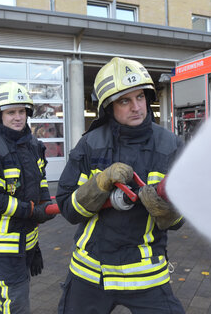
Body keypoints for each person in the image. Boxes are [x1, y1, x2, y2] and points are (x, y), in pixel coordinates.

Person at [56, 57, 185, 313]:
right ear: (108, 107)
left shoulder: (170, 146)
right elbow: (68, 209)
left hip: (146, 274)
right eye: (125, 100)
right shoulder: (90, 145)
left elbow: (181, 219)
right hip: (92, 272)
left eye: (140, 97)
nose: (136, 107)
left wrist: (167, 213)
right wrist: (98, 185)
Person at [0, 81, 55, 313]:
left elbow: (40, 181)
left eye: (21, 111)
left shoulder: (32, 144)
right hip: (2, 241)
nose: (18, 117)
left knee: (17, 292)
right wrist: (31, 211)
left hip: (24, 238)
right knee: (16, 298)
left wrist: (45, 204)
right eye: (11, 112)